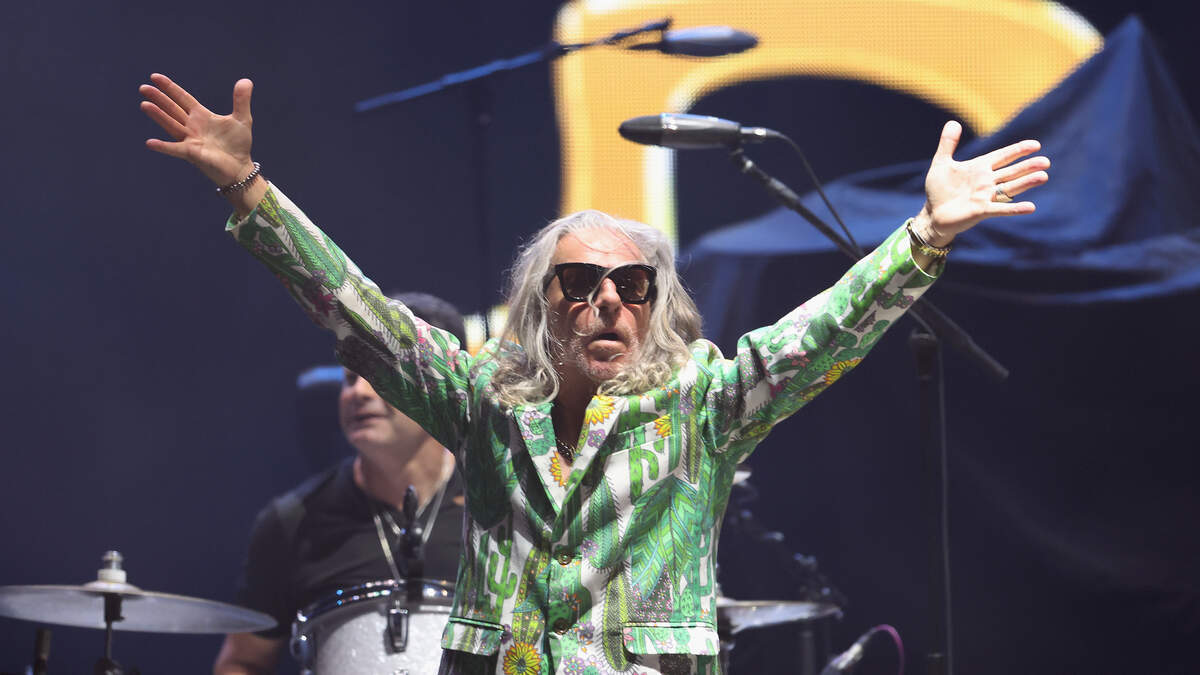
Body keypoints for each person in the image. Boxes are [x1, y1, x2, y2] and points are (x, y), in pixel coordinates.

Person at [141, 73, 1049, 675]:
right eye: (580, 283)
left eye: (631, 285)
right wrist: (248, 189)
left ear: (653, 304)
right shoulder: (483, 401)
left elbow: (822, 334)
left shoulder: (704, 403)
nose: (608, 300)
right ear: (545, 304)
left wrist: (925, 235)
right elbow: (358, 311)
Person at [213, 292, 468, 675]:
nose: (358, 392)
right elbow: (242, 662)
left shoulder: (498, 508)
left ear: (442, 386)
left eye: (379, 374)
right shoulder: (293, 522)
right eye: (350, 376)